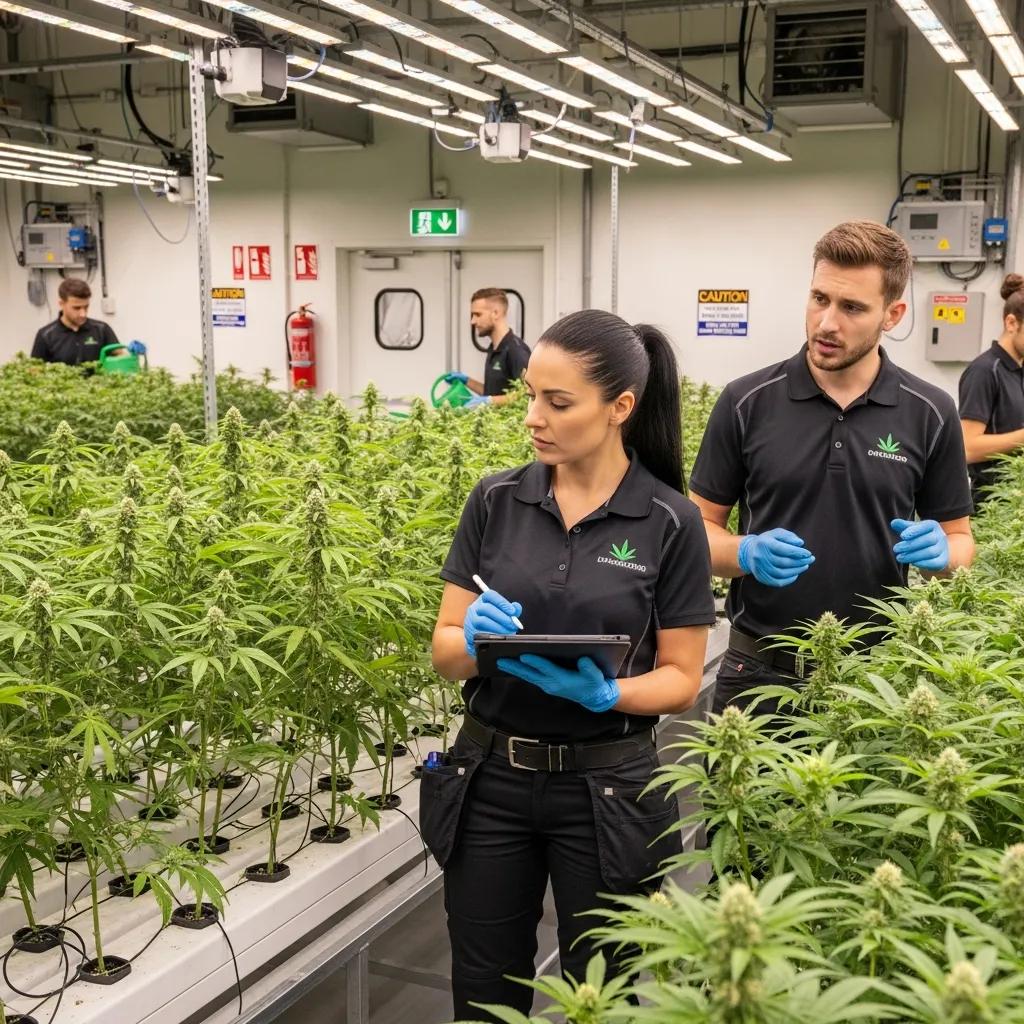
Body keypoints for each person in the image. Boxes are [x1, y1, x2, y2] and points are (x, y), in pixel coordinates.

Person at [428, 309, 716, 1020]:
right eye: (530, 395)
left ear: (620, 407)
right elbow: (443, 651)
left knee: (602, 994)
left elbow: (681, 678)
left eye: (557, 403)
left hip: (608, 790)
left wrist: (609, 692)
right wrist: (471, 640)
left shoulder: (669, 521)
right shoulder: (496, 499)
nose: (534, 417)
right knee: (486, 993)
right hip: (491, 777)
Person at [689, 220, 975, 715]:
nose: (826, 323)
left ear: (893, 313)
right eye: (820, 298)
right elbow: (696, 535)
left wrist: (943, 555)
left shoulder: (929, 411)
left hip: (876, 678)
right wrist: (745, 550)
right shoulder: (745, 402)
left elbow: (961, 540)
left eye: (852, 308)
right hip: (757, 671)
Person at [958, 273, 1024, 505]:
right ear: (1011, 323)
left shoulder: (1018, 370)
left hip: (1015, 503)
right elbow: (967, 447)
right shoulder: (985, 371)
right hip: (991, 508)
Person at [444, 287, 532, 408]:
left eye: (477, 315)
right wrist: (466, 381)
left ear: (495, 313)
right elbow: (491, 393)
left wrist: (489, 401)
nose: (472, 321)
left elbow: (527, 394)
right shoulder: (494, 348)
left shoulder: (516, 350)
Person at [31, 278, 121, 366]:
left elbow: (121, 356)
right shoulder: (46, 335)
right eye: (76, 308)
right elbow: (34, 371)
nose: (83, 314)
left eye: (86, 307)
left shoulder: (102, 329)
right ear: (61, 304)